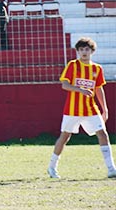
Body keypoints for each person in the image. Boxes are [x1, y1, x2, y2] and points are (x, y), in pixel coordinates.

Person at [48, 37, 116, 179]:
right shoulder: (73, 65)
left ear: (92, 51)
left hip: (91, 109)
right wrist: (80, 89)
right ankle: (52, 167)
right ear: (77, 51)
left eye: (87, 49)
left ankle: (111, 169)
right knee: (65, 136)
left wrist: (105, 109)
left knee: (102, 134)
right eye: (81, 50)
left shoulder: (97, 69)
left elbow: (99, 89)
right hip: (72, 110)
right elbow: (64, 85)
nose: (84, 52)